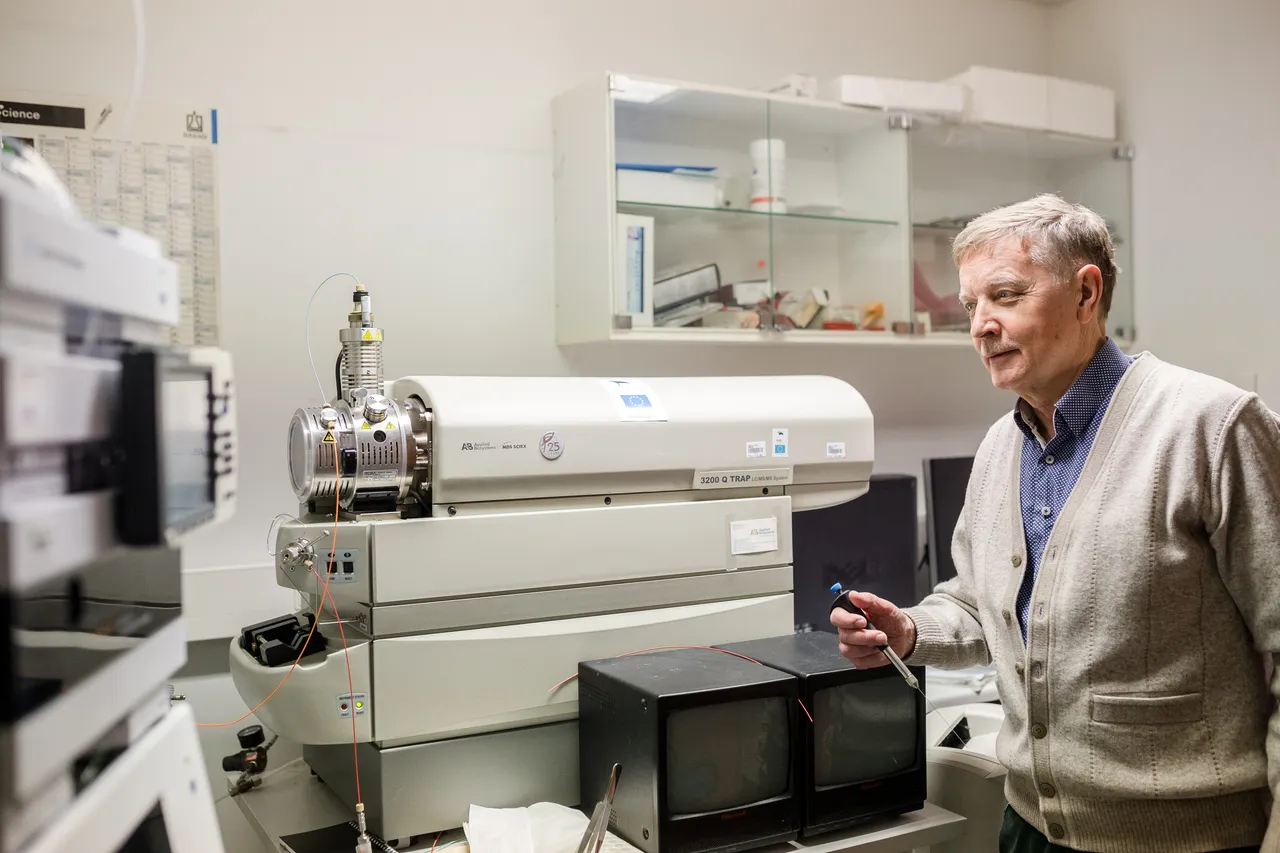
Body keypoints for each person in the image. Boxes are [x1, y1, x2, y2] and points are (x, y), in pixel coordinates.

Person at [831, 193, 1280, 853]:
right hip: (1030, 829)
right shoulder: (998, 449)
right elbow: (981, 604)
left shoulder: (1211, 426)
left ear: (1085, 292)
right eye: (971, 305)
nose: (982, 324)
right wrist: (907, 629)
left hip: (1187, 840)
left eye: (1006, 295)